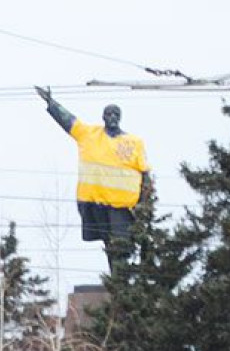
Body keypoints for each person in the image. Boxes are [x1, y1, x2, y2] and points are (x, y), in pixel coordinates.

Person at [35, 86, 153, 273]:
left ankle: (121, 280)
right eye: (109, 114)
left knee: (121, 245)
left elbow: (145, 173)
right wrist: (51, 103)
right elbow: (69, 122)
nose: (112, 116)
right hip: (95, 203)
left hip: (122, 206)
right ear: (103, 117)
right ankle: (115, 280)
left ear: (119, 117)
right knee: (109, 245)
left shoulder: (134, 142)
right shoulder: (89, 135)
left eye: (116, 114)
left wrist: (144, 204)